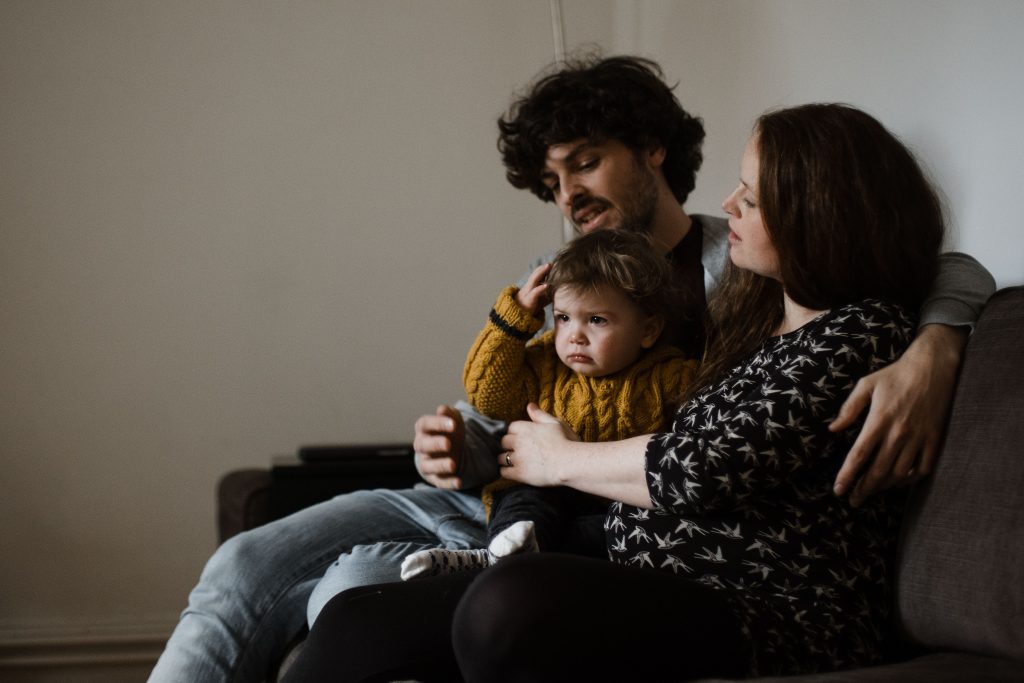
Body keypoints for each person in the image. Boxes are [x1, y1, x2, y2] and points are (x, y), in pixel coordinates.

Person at [148, 56, 994, 682]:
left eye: (584, 162)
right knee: (247, 567)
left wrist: (941, 340)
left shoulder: (738, 273)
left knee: (354, 587)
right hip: (498, 492)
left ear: (653, 150)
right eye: (549, 179)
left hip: (579, 517)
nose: (567, 197)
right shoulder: (576, 275)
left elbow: (928, 266)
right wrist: (458, 441)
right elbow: (508, 403)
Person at [401, 229, 696, 579]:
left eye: (597, 320)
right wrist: (513, 321)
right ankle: (500, 553)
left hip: (614, 505)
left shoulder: (671, 377)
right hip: (543, 493)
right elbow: (486, 393)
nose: (575, 335)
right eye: (563, 318)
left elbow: (687, 450)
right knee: (522, 499)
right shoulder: (544, 365)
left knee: (626, 528)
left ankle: (494, 563)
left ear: (648, 330)